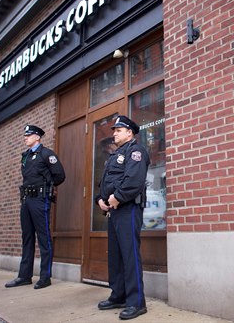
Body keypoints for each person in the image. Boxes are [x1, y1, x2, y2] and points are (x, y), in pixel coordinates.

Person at [96, 116, 150, 320]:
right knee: (116, 255)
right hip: (114, 210)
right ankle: (118, 295)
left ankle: (136, 302)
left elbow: (134, 180)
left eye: (118, 130)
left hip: (128, 209)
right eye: (114, 130)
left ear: (130, 133)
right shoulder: (114, 155)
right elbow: (107, 182)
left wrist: (117, 197)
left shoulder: (136, 151)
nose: (114, 133)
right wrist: (99, 199)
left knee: (129, 255)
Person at [5, 125, 66, 289]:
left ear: (37, 137)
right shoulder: (25, 156)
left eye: (29, 135)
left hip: (40, 199)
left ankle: (45, 277)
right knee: (27, 237)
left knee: (43, 237)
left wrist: (47, 187)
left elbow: (60, 175)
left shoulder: (47, 154)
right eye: (25, 135)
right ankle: (24, 276)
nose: (25, 138)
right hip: (26, 200)